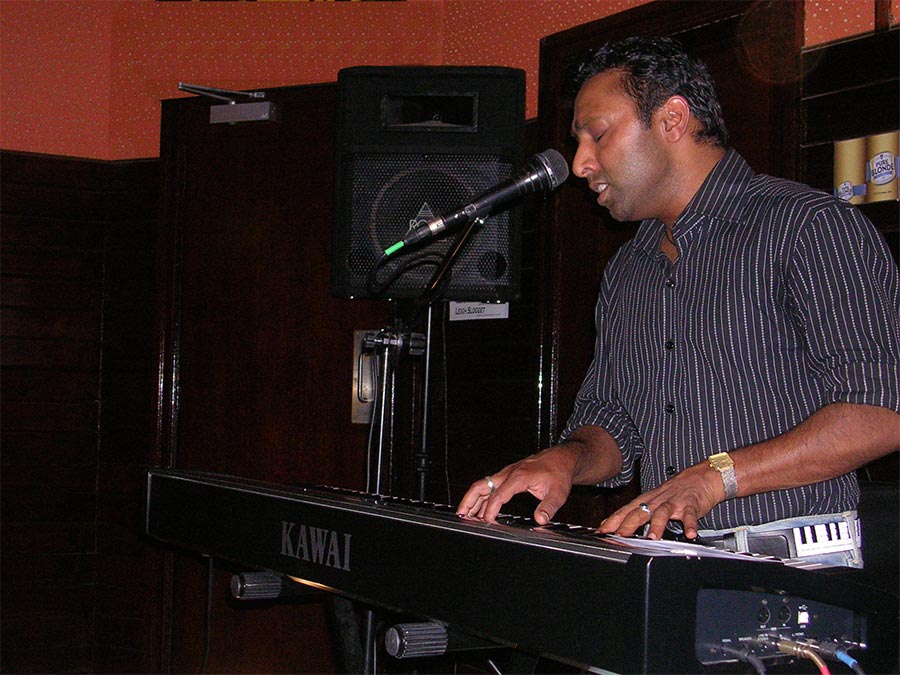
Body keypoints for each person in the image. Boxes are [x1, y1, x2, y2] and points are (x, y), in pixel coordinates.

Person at [456, 36, 900, 568]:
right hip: (668, 557)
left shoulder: (807, 226)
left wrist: (716, 477)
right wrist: (563, 460)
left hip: (796, 562)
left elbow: (882, 411)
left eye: (597, 134)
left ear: (672, 120)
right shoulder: (628, 267)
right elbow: (614, 421)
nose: (579, 164)